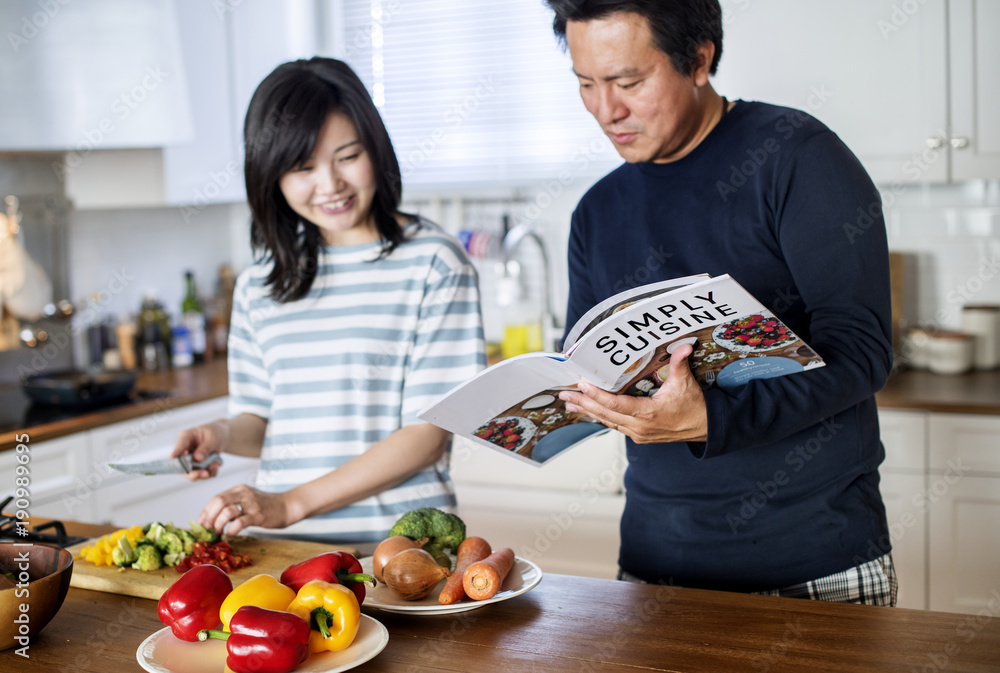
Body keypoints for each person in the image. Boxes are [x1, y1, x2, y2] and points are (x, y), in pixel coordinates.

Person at [546, 0, 897, 605]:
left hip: (816, 565)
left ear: (700, 59)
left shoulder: (798, 158)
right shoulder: (596, 213)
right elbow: (594, 365)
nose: (607, 110)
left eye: (629, 82)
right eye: (586, 83)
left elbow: (863, 354)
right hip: (657, 568)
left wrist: (712, 418)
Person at [171, 57, 486, 545]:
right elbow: (263, 422)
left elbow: (426, 437)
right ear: (271, 176)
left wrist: (289, 503)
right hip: (282, 555)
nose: (330, 184)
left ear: (375, 150)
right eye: (302, 167)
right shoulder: (261, 283)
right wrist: (222, 434)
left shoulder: (434, 263)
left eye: (347, 156)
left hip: (399, 553)